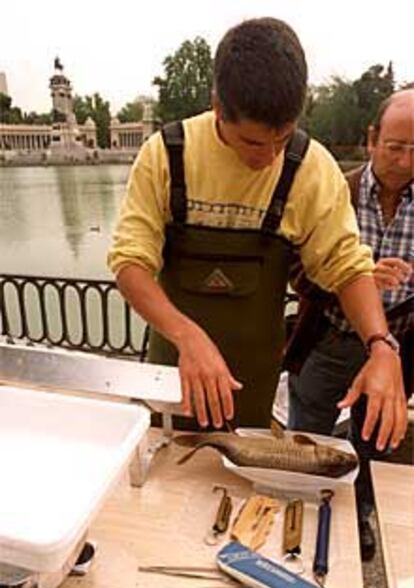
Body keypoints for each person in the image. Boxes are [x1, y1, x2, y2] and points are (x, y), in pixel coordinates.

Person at [108, 17, 406, 450]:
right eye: (251, 143)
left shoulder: (311, 167)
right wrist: (187, 336)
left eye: (281, 139)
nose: (267, 159)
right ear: (217, 106)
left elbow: (345, 265)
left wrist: (381, 345)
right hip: (173, 367)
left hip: (254, 377)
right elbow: (130, 263)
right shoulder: (167, 155)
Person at [287, 89, 414, 560]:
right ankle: (302, 514)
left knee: (371, 442)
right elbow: (295, 268)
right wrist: (356, 280)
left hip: (393, 349)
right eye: (395, 146)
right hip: (328, 338)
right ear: (372, 139)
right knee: (309, 436)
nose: (404, 160)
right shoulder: (332, 189)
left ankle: (358, 518)